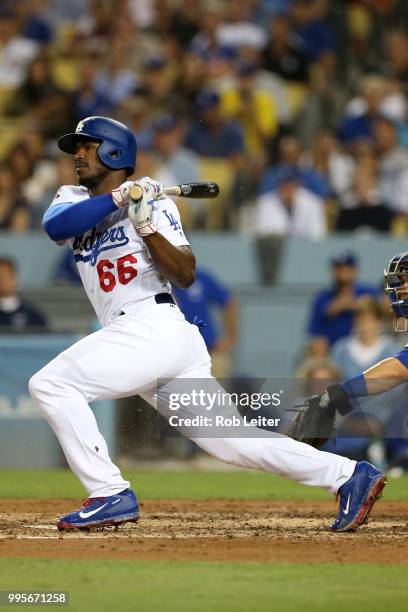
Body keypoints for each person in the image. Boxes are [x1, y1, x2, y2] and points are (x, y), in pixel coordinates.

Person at [29, 115, 385, 533]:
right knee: (232, 441)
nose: (78, 154)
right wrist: (118, 200)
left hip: (154, 327)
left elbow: (185, 273)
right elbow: (56, 226)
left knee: (51, 384)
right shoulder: (72, 196)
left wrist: (144, 225)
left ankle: (109, 491)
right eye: (77, 148)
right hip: (141, 339)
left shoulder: (156, 203)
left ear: (114, 151)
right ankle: (348, 475)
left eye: (88, 146)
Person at [289, 250, 408, 472]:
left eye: (406, 282)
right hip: (356, 414)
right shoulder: (342, 348)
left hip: (385, 413)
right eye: (400, 282)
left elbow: (398, 370)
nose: (401, 289)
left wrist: (335, 395)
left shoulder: (387, 345)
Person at [307, 251, 379, 357]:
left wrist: (357, 305)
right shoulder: (322, 299)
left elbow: (385, 313)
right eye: (338, 268)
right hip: (331, 356)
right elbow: (314, 334)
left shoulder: (368, 291)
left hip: (369, 350)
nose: (342, 273)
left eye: (346, 268)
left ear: (354, 270)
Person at [172, 267, 238, 378]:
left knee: (215, 393)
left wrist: (231, 337)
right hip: (175, 357)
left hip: (209, 352)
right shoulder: (158, 282)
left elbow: (228, 302)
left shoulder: (200, 278)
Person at [0, 257, 47, 331]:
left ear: (14, 278)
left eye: (3, 277)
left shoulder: (31, 313)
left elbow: (46, 338)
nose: (1, 283)